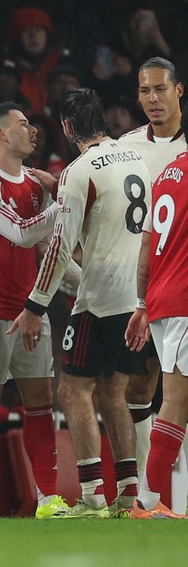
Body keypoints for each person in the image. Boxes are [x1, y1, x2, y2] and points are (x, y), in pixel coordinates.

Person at [10, 88, 148, 518]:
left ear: (68, 127)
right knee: (113, 392)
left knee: (72, 390)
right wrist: (62, 190)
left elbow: (59, 248)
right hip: (135, 297)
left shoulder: (78, 170)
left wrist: (34, 306)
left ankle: (90, 496)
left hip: (99, 300)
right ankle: (128, 494)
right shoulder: (133, 158)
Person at [0, 102, 69, 519]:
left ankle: (48, 498)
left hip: (30, 309)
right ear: (1, 135)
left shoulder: (37, 186)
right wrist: (67, 201)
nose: (32, 130)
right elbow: (22, 234)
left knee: (40, 402)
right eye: (23, 124)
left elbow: (45, 248)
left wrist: (84, 283)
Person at [118, 57, 186, 476]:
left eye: (160, 89)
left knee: (174, 392)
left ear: (178, 90)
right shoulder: (125, 148)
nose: (153, 99)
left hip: (172, 285)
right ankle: (141, 486)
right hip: (138, 285)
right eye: (145, 91)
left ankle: (151, 490)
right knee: (138, 387)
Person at [125, 145, 188, 519]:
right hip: (183, 301)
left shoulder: (165, 175)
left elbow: (147, 245)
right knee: (176, 399)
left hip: (162, 300)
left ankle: (150, 501)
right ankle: (146, 503)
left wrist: (142, 304)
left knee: (181, 400)